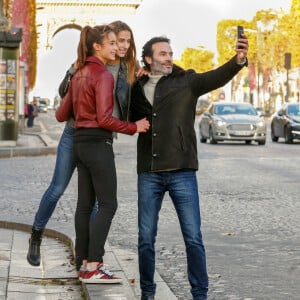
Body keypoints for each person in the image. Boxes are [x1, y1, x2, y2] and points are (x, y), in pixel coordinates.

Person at [129, 35, 248, 300]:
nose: (169, 58)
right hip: (149, 171)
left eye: (170, 53)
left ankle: (200, 295)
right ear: (148, 59)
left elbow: (216, 76)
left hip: (182, 169)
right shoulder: (136, 87)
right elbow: (123, 114)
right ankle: (147, 293)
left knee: (193, 237)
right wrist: (129, 80)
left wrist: (237, 61)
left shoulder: (187, 81)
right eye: (162, 54)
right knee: (145, 239)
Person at [27, 20, 141, 267]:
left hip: (101, 135)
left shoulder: (129, 69)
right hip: (76, 132)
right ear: (102, 43)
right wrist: (74, 72)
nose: (122, 45)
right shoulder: (86, 66)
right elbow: (63, 98)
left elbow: (136, 101)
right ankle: (37, 236)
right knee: (58, 189)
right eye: (117, 41)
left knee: (90, 202)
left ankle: (86, 258)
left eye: (126, 41)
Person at [55, 24, 149, 283]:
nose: (116, 48)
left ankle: (83, 263)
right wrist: (134, 127)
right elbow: (106, 119)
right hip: (98, 143)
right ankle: (94, 264)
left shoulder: (79, 73)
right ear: (98, 46)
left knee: (84, 205)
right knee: (108, 204)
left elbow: (60, 114)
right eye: (111, 44)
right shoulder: (104, 76)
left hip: (79, 143)